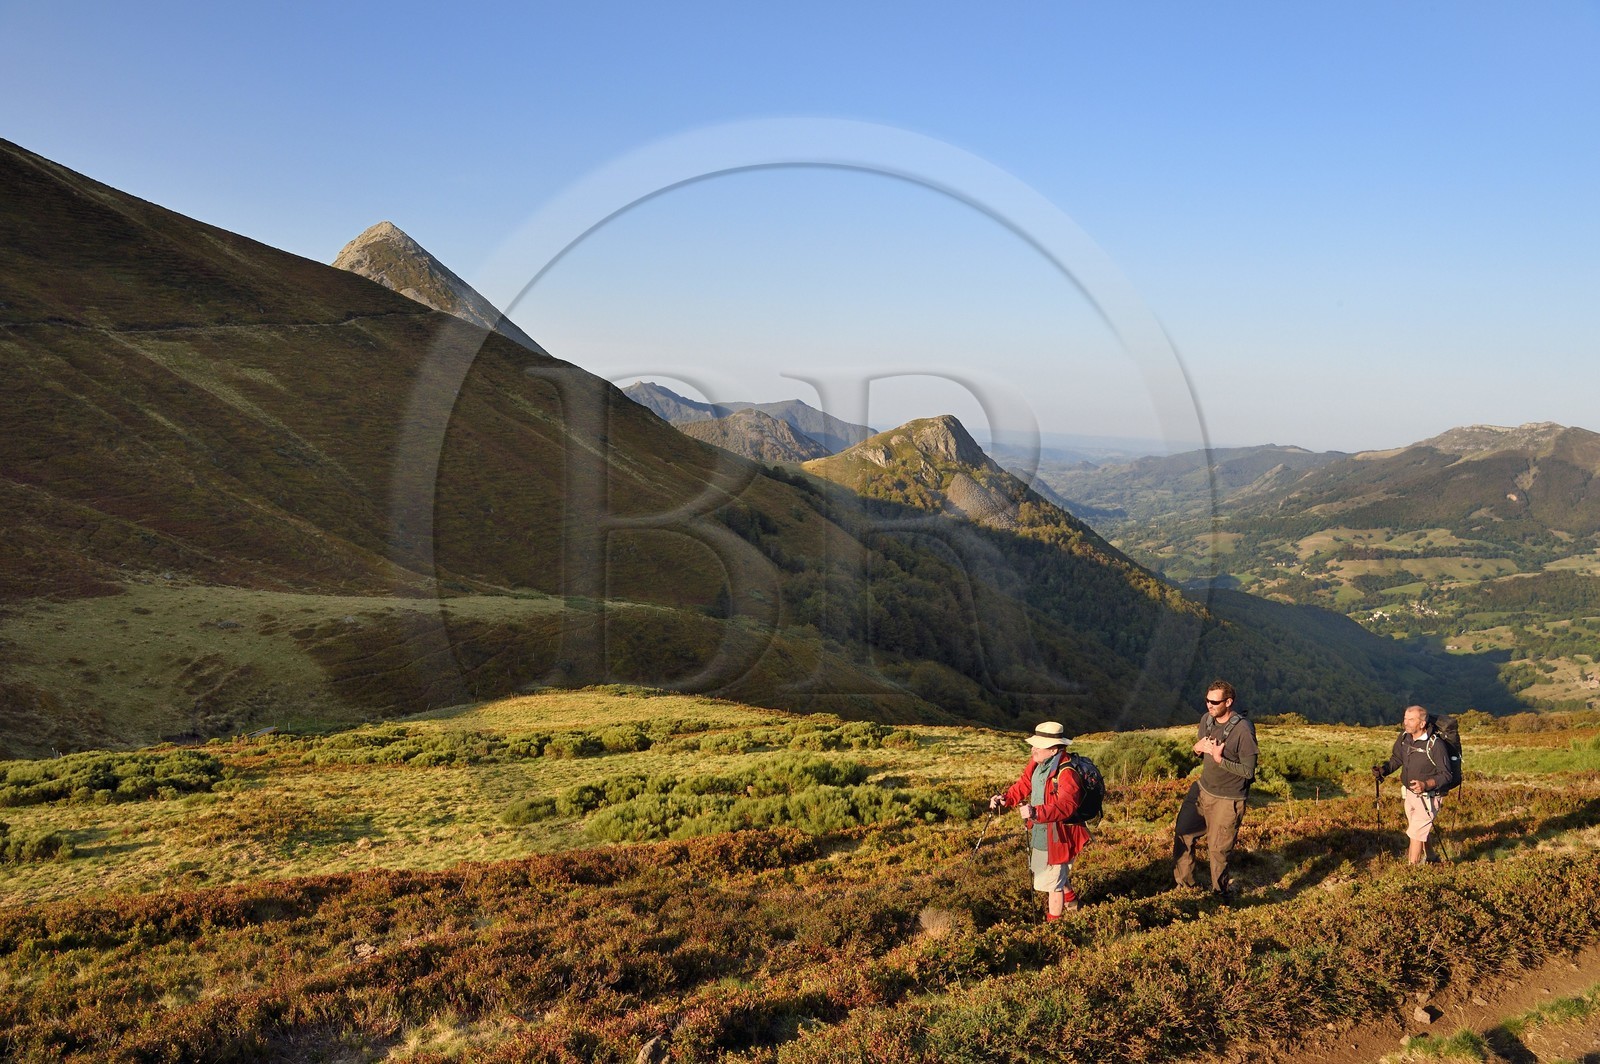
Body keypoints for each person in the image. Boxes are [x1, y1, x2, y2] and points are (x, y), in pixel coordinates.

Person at [988, 721, 1091, 921]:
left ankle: (1054, 927)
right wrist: (1005, 799)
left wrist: (1036, 813)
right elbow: (1025, 783)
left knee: (1053, 884)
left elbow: (1066, 806)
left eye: (1038, 746)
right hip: (1041, 832)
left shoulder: (1067, 772)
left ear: (1053, 749)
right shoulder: (1038, 763)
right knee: (1049, 873)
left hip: (1059, 835)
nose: (1033, 748)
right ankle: (1074, 904)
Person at [1172, 679, 1258, 902]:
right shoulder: (1206, 720)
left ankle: (1219, 896)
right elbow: (1201, 748)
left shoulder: (1243, 730)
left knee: (1218, 851)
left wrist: (1221, 760)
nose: (1209, 705)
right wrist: (1196, 749)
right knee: (1183, 834)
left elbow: (1249, 772)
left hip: (1228, 799)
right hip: (1202, 790)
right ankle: (1185, 887)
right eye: (1207, 700)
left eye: (1214, 702)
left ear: (1228, 702)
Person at [1372, 704, 1456, 864]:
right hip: (1410, 794)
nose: (1406, 722)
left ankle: (1411, 871)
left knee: (1415, 834)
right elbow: (1397, 759)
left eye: (1411, 720)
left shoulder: (1435, 745)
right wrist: (1384, 770)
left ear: (1422, 724)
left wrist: (1426, 784)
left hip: (1429, 796)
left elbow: (1446, 775)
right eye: (1405, 718)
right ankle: (1431, 857)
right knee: (1418, 829)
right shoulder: (1404, 738)